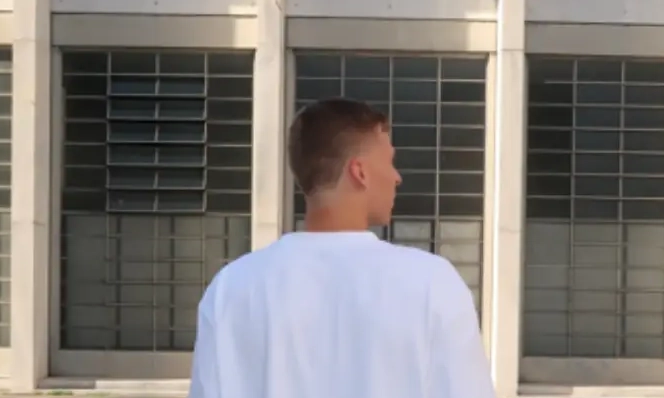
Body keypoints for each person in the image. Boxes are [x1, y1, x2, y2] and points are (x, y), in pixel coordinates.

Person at [187, 98, 497, 398]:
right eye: (390, 161)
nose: (397, 177)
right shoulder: (432, 283)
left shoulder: (231, 289)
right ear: (359, 172)